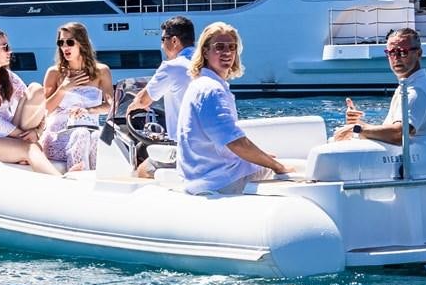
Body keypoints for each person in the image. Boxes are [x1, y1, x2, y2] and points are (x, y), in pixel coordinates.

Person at [176, 22, 292, 195]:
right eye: (219, 47)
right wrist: (277, 166)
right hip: (221, 180)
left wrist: (263, 158)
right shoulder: (211, 90)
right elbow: (235, 142)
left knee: (273, 163)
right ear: (205, 51)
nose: (227, 52)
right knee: (293, 173)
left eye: (232, 47)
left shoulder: (201, 85)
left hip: (203, 175)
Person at [0, 28, 61, 175]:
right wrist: (24, 136)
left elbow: (39, 106)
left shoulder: (8, 77)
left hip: (11, 132)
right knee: (31, 149)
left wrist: (37, 131)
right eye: (5, 47)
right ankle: (61, 181)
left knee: (36, 89)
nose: (10, 51)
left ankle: (22, 153)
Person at [332, 27, 426, 143]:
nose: (396, 58)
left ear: (418, 53)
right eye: (391, 53)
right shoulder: (409, 85)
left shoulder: (416, 91)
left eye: (403, 52)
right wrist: (358, 123)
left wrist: (358, 129)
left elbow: (400, 133)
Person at [39, 22, 114, 172]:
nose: (65, 47)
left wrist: (88, 110)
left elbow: (110, 106)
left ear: (82, 43)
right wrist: (63, 89)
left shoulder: (102, 71)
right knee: (82, 134)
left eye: (70, 42)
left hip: (89, 129)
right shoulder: (54, 73)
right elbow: (44, 109)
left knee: (94, 137)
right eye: (61, 42)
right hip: (57, 136)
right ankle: (77, 181)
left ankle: (91, 182)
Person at [127, 15, 195, 178]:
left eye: (163, 39)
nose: (161, 45)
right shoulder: (208, 62)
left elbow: (143, 101)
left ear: (174, 41)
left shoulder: (172, 67)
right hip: (213, 145)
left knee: (140, 172)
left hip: (186, 148)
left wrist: (130, 107)